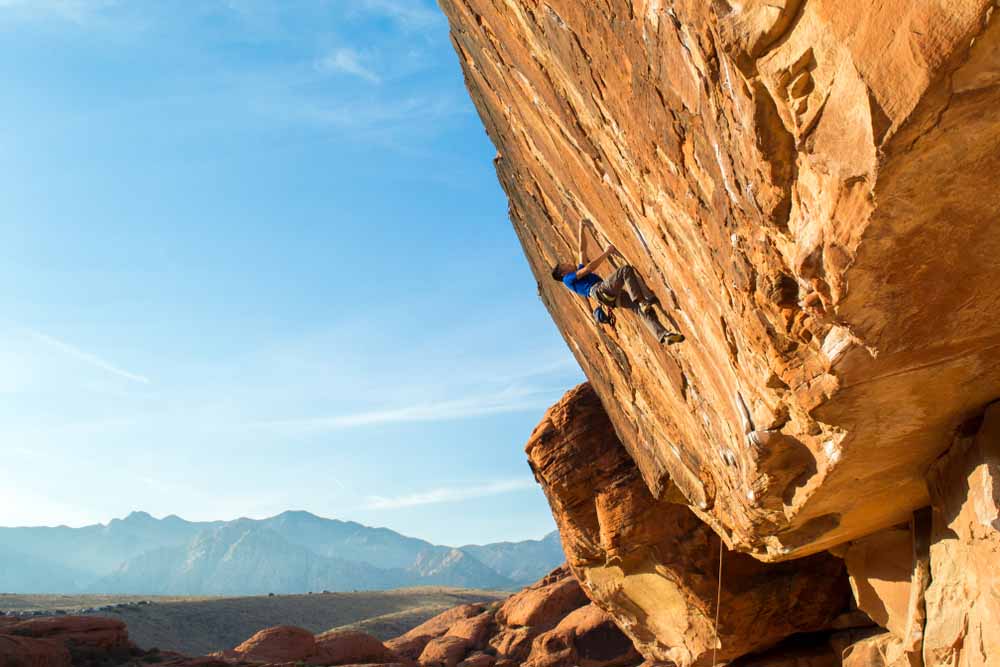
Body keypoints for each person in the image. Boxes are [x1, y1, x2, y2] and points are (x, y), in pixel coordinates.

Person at [551, 219, 685, 345]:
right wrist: (607, 252)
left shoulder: (573, 276)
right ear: (563, 272)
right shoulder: (567, 279)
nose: (568, 263)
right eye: (565, 265)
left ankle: (663, 335)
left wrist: (581, 227)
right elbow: (589, 268)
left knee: (638, 310)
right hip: (599, 290)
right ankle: (641, 301)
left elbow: (582, 250)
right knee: (625, 271)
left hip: (608, 299)